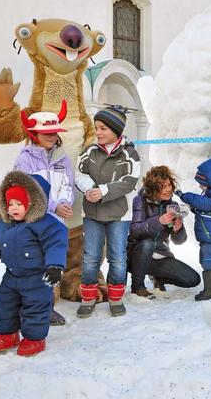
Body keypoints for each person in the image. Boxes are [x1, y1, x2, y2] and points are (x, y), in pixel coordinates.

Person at [0, 171, 68, 356]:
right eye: (10, 204)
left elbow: (56, 243)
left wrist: (55, 266)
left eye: (19, 203)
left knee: (35, 308)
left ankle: (35, 338)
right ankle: (8, 334)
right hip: (11, 277)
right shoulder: (4, 225)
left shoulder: (45, 224)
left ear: (33, 203)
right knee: (4, 304)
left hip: (36, 279)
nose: (13, 208)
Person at [75, 105, 140, 318]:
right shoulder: (89, 152)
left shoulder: (130, 154)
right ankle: (88, 297)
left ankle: (116, 297)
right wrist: (89, 189)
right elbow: (79, 174)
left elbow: (129, 182)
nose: (99, 132)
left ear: (116, 130)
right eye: (97, 128)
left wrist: (103, 191)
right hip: (92, 214)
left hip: (119, 215)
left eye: (103, 128)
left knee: (118, 257)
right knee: (90, 257)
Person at [15, 100, 74, 325]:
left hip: (55, 223)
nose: (52, 137)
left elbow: (68, 184)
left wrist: (65, 203)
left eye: (54, 133)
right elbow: (25, 192)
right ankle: (27, 308)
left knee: (52, 265)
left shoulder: (63, 158)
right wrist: (52, 206)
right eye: (46, 133)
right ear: (34, 134)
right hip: (31, 223)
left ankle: (46, 309)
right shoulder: (24, 160)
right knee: (33, 266)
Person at [128, 166, 200, 298]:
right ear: (154, 188)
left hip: (160, 255)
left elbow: (179, 241)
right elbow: (134, 231)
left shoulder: (173, 206)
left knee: (193, 279)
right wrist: (159, 221)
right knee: (147, 243)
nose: (169, 189)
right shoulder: (140, 201)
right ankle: (137, 286)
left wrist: (178, 230)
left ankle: (158, 277)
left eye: (169, 185)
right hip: (137, 255)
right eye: (163, 186)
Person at [177, 158, 211, 301]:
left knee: (208, 261)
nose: (200, 186)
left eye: (203, 184)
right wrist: (193, 208)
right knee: (207, 260)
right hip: (209, 235)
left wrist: (186, 196)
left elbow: (206, 205)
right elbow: (205, 210)